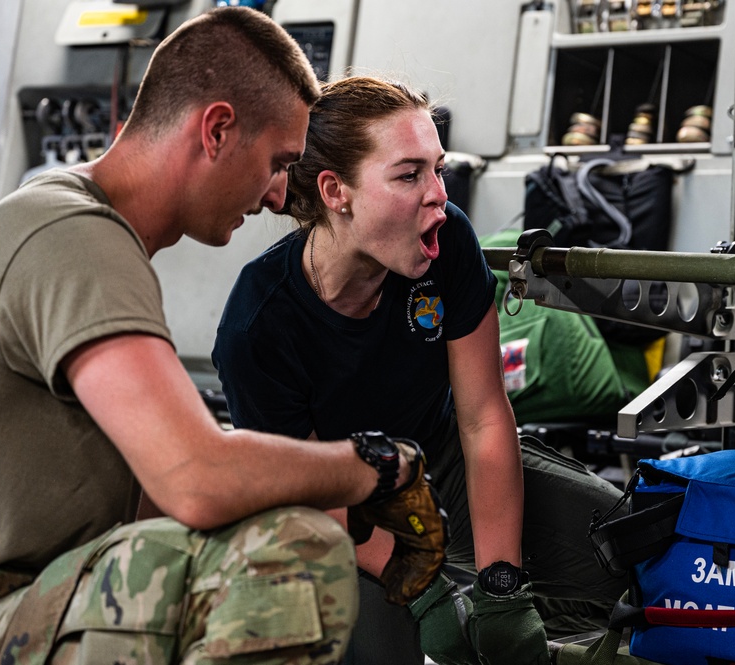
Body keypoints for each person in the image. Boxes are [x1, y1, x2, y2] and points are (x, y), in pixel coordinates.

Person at [0, 9, 446, 664]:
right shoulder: (73, 237)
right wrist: (376, 468)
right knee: (289, 553)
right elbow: (196, 478)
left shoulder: (82, 229)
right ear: (216, 130)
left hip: (13, 595)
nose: (275, 196)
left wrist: (335, 493)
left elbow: (162, 486)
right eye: (277, 162)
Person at [212, 76, 630, 665]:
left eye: (437, 168)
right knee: (387, 644)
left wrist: (502, 587)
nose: (438, 194)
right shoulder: (259, 326)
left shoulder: (447, 239)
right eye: (409, 175)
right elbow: (309, 494)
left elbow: (485, 418)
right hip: (335, 502)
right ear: (337, 191)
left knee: (627, 544)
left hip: (441, 462)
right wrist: (426, 587)